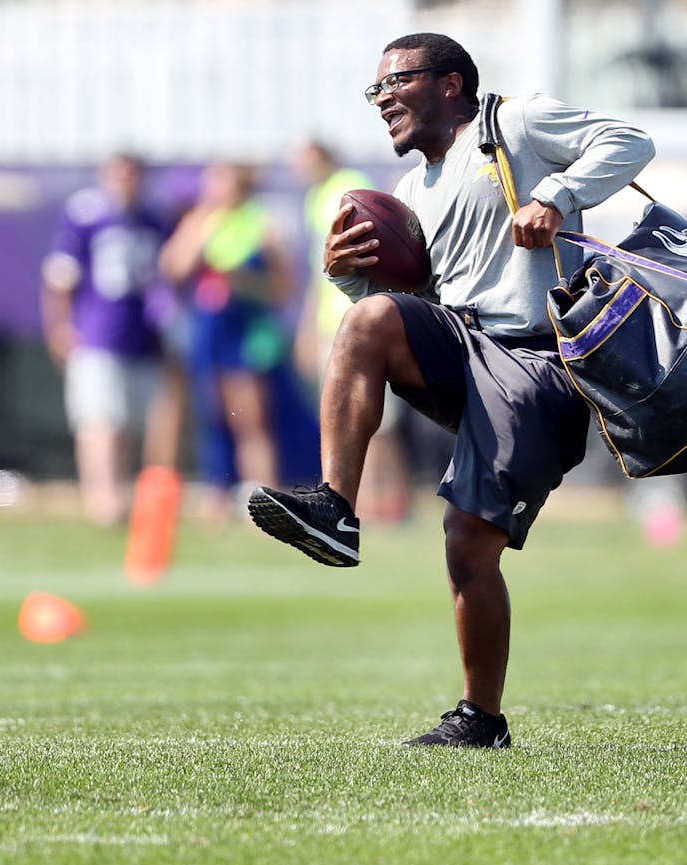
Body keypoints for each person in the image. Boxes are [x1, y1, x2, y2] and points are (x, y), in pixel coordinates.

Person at [247, 33, 654, 747]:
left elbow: (629, 142)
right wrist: (346, 273)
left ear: (450, 83)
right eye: (373, 92)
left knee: (468, 544)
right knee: (368, 317)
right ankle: (335, 508)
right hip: (464, 349)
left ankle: (480, 719)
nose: (382, 103)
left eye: (394, 84)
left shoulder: (513, 122)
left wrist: (553, 197)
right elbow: (413, 297)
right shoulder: (409, 193)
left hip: (535, 362)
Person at [41, 153, 181, 527]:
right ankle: (102, 501)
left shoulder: (153, 219)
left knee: (126, 427)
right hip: (95, 334)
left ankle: (120, 498)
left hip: (141, 337)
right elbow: (60, 277)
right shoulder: (86, 216)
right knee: (98, 421)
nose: (126, 182)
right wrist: (59, 326)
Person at [159, 162, 298, 520]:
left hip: (246, 330)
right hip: (210, 328)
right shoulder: (201, 220)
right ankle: (216, 499)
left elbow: (283, 288)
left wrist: (244, 283)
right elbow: (174, 268)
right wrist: (201, 229)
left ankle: (264, 497)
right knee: (214, 415)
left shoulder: (260, 223)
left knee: (251, 418)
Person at [290, 140, 413, 524]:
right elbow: (322, 273)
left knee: (376, 421)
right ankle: (372, 501)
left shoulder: (348, 190)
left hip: (359, 320)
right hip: (333, 322)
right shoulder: (317, 198)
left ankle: (389, 502)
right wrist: (307, 329)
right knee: (354, 421)